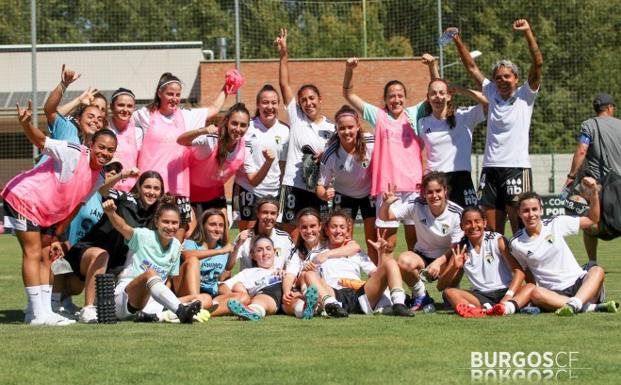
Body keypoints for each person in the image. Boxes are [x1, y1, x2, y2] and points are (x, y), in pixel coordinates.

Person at [2, 101, 117, 325]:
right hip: (24, 197)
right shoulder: (73, 151)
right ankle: (37, 314)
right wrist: (26, 124)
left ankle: (42, 312)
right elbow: (40, 141)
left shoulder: (100, 177)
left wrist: (57, 233)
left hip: (46, 212)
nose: (104, 153)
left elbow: (76, 205)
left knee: (46, 254)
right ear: (91, 144)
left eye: (110, 150)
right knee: (33, 252)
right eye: (101, 147)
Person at [450, 19, 543, 235]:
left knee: (521, 229)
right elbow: (471, 67)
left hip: (517, 168)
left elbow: (538, 64)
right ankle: (499, 269)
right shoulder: (491, 92)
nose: (502, 80)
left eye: (507, 77)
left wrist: (528, 32)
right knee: (491, 232)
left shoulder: (525, 95)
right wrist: (456, 39)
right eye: (498, 77)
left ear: (516, 78)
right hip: (490, 169)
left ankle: (524, 269)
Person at [342, 56, 436, 252]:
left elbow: (436, 93)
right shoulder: (378, 116)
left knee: (414, 242)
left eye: (400, 95)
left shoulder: (414, 113)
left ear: (405, 97)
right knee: (387, 244)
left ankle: (415, 281)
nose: (396, 99)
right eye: (391, 96)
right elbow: (348, 94)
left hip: (413, 187)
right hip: (388, 190)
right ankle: (386, 282)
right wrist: (350, 70)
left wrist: (432, 67)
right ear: (385, 99)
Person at [57, 171, 165, 323]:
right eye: (147, 187)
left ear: (161, 192)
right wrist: (122, 175)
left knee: (76, 289)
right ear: (139, 188)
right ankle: (87, 309)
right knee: (100, 257)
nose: (151, 192)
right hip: (90, 252)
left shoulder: (155, 215)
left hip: (114, 264)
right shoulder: (127, 199)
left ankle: (61, 301)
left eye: (156, 188)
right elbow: (102, 189)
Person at [134, 72, 229, 238]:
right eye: (170, 94)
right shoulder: (144, 114)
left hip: (178, 187)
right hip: (152, 187)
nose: (174, 98)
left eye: (177, 95)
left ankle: (174, 265)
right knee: (149, 233)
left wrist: (227, 87)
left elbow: (214, 109)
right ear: (159, 93)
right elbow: (123, 120)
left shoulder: (185, 116)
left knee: (181, 232)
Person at [510, 183, 617, 316]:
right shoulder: (516, 243)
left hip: (580, 284)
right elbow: (526, 273)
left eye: (534, 209)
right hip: (554, 293)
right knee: (535, 292)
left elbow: (592, 219)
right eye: (526, 211)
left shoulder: (556, 223)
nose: (531, 214)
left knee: (597, 271)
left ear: (541, 210)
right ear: (519, 213)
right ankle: (587, 307)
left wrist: (594, 192)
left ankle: (575, 304)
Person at [296, 211, 415, 317]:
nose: (338, 231)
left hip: (360, 293)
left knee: (390, 262)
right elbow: (309, 280)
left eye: (342, 227)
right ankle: (330, 306)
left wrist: (381, 254)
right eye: (334, 227)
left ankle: (399, 304)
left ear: (348, 231)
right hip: (334, 293)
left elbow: (374, 273)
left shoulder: (356, 252)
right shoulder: (317, 254)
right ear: (326, 230)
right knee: (309, 274)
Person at [103, 198, 202, 323]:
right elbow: (122, 226)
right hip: (126, 299)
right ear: (156, 222)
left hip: (153, 303)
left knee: (204, 298)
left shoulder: (176, 246)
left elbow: (169, 280)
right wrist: (111, 213)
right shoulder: (143, 236)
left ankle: (154, 317)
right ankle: (180, 312)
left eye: (174, 223)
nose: (170, 227)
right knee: (150, 273)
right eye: (165, 222)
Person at [275, 28, 335, 234]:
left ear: (320, 100)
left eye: (312, 98)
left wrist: (323, 156)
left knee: (318, 235)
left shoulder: (332, 128)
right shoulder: (297, 118)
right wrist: (284, 54)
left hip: (319, 189)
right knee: (291, 235)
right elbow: (284, 84)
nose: (308, 103)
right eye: (303, 100)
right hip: (294, 186)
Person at [379, 171, 463, 311]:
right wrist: (386, 204)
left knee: (458, 261)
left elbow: (456, 247)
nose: (434, 196)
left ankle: (450, 293)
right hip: (423, 256)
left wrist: (439, 262)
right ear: (424, 193)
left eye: (438, 191)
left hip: (447, 258)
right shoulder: (417, 205)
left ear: (445, 190)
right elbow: (385, 217)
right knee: (403, 261)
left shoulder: (456, 213)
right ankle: (421, 295)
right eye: (430, 192)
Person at [177, 103, 275, 216]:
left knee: (221, 230)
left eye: (243, 125)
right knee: (189, 232)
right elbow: (180, 141)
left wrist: (268, 162)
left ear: (248, 127)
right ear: (227, 122)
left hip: (215, 196)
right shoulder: (211, 138)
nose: (238, 129)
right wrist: (202, 131)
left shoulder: (245, 148)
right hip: (189, 194)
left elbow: (253, 181)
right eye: (234, 123)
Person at [438, 206, 534, 317]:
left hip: (505, 291)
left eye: (477, 221)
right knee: (449, 292)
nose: (473, 226)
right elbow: (441, 286)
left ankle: (504, 307)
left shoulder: (497, 240)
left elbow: (519, 272)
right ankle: (480, 311)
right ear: (461, 226)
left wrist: (508, 296)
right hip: (480, 296)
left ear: (484, 223)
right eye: (468, 223)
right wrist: (454, 267)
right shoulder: (461, 248)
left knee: (530, 287)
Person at [417, 56, 488, 207]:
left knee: (469, 224)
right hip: (436, 181)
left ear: (449, 96)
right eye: (433, 94)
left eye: (442, 93)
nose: (438, 97)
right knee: (438, 227)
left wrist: (461, 90)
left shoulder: (464, 116)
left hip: (461, 178)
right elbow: (437, 86)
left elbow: (489, 101)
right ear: (428, 97)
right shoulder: (423, 123)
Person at [565, 93, 621, 266]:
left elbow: (582, 150)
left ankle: (592, 263)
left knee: (589, 222)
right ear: (610, 108)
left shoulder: (589, 125)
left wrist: (571, 176)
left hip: (598, 186)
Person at [316, 105, 377, 262]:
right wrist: (324, 194)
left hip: (369, 193)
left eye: (350, 127)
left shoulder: (371, 142)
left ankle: (376, 277)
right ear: (336, 129)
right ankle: (344, 273)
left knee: (372, 239)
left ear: (358, 126)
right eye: (342, 128)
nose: (346, 131)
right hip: (344, 194)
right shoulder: (330, 153)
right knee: (342, 238)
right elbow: (320, 187)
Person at [281, 208, 361, 318]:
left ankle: (314, 304)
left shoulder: (331, 242)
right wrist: (286, 291)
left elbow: (354, 247)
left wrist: (326, 255)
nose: (309, 231)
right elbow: (290, 274)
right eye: (304, 227)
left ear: (320, 226)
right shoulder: (297, 251)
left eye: (312, 226)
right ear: (299, 229)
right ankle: (309, 305)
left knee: (308, 274)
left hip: (326, 286)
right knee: (292, 297)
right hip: (304, 285)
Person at [233, 84, 290, 231]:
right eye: (265, 102)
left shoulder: (285, 130)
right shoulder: (247, 127)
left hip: (274, 192)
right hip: (247, 189)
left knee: (272, 239)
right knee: (247, 238)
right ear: (258, 105)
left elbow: (283, 165)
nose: (269, 106)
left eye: (273, 102)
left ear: (278, 105)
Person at [173, 209, 234, 309]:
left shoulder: (223, 248)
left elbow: (226, 272)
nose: (217, 229)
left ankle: (203, 309)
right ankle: (196, 303)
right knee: (193, 260)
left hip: (210, 294)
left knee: (243, 297)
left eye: (221, 225)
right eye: (212, 224)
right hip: (186, 291)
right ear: (203, 226)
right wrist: (220, 251)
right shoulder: (191, 243)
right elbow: (188, 255)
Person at [221, 237, 283, 321]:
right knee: (262, 298)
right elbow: (223, 286)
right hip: (267, 294)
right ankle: (253, 311)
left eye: (268, 249)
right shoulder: (248, 273)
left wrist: (286, 274)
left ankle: (303, 309)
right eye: (259, 250)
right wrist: (239, 296)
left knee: (295, 300)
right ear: (253, 255)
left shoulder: (283, 270)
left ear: (274, 252)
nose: (265, 253)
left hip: (287, 293)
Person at [232, 197, 294, 271]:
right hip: (248, 281)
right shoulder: (244, 237)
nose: (268, 217)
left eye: (273, 213)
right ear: (257, 213)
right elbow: (229, 266)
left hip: (275, 281)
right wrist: (237, 246)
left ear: (277, 215)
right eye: (265, 212)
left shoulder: (285, 238)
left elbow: (292, 265)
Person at [106, 88, 141, 192]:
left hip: (131, 190)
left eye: (129, 106)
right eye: (121, 105)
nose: (125, 109)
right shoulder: (103, 128)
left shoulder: (138, 132)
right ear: (112, 106)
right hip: (106, 188)